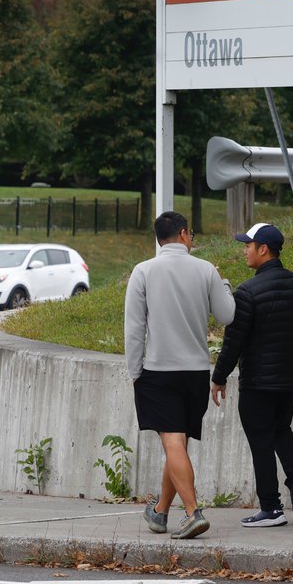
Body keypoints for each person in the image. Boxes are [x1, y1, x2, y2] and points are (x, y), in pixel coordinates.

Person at [124, 211, 236, 540]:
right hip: (196, 372)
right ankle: (160, 512)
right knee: (179, 444)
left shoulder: (143, 271)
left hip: (158, 370)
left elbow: (134, 328)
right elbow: (228, 315)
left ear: (159, 239)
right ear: (184, 234)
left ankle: (192, 513)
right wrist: (224, 282)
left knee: (173, 443)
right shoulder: (205, 270)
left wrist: (135, 371)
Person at [211, 223, 293, 528]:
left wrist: (219, 377)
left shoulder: (247, 292)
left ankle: (271, 508)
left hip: (257, 382)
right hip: (288, 380)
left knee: (261, 439)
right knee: (280, 430)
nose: (244, 249)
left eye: (248, 245)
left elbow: (234, 341)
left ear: (263, 249)